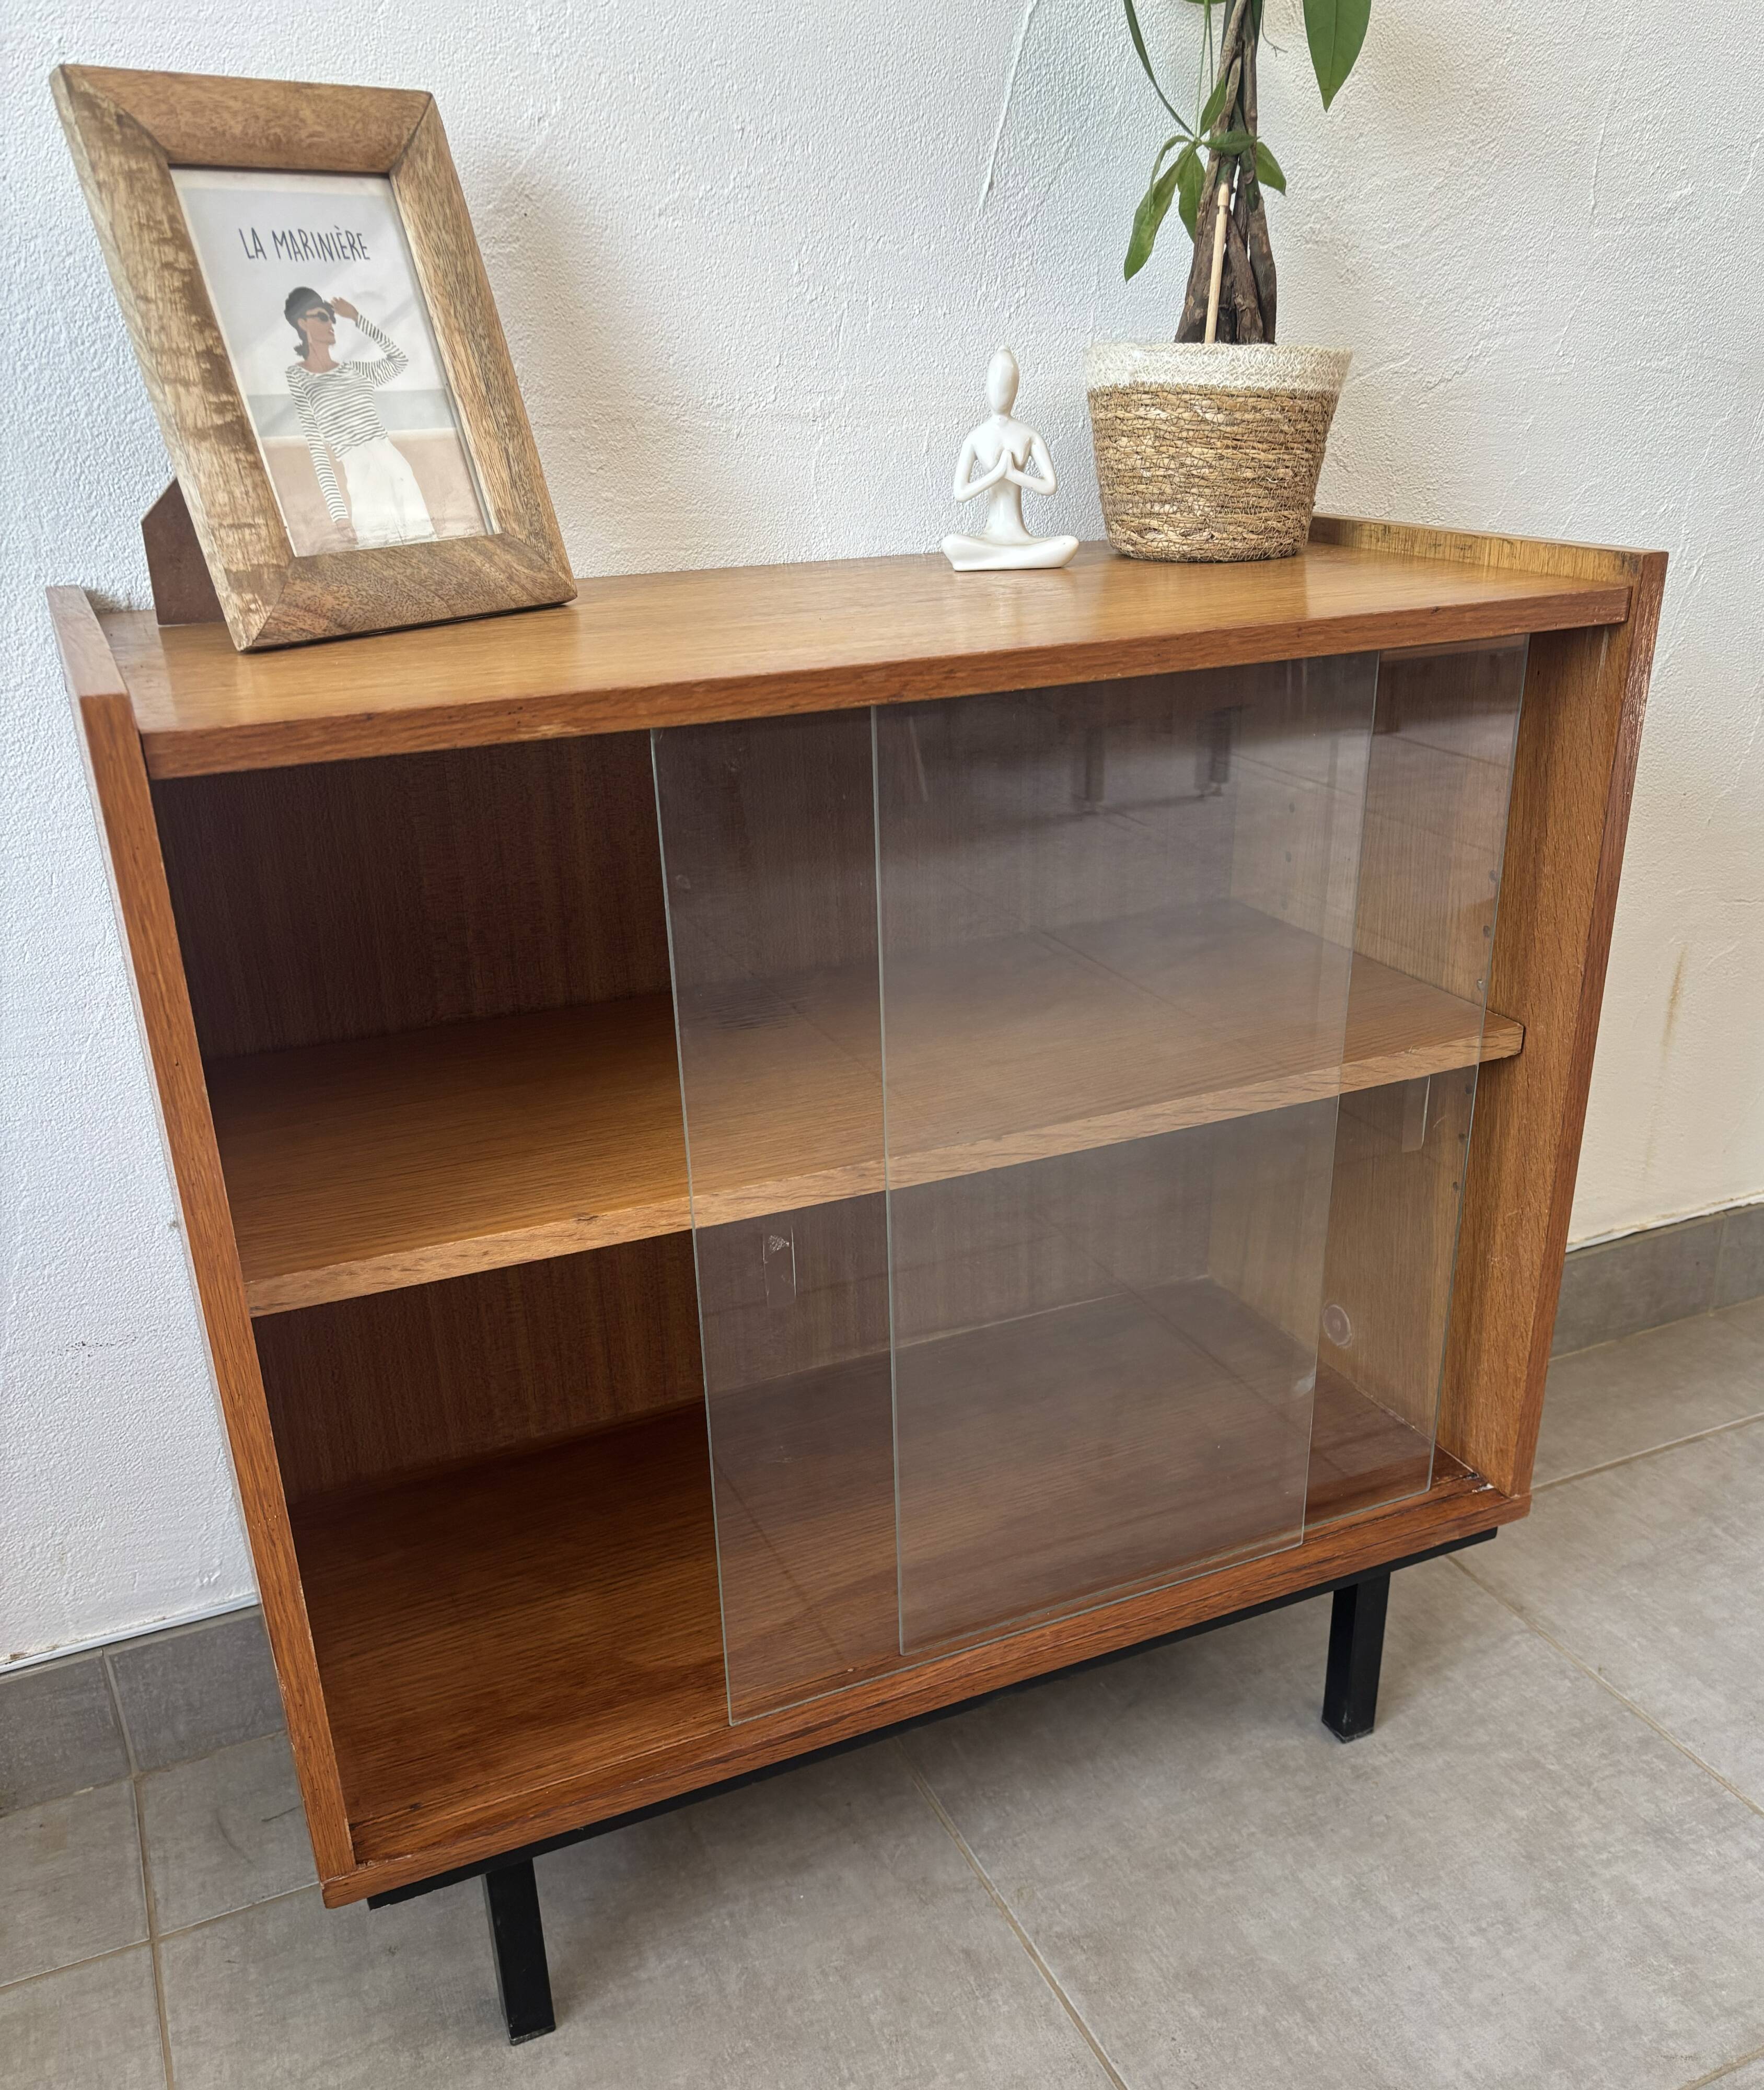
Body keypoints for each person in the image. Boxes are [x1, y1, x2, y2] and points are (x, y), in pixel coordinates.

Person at [283, 286, 436, 549]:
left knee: (425, 550)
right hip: (360, 476)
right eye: (322, 316)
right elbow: (318, 450)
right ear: (302, 322)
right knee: (380, 557)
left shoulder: (356, 370)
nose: (331, 322)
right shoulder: (297, 377)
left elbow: (399, 361)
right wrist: (339, 514)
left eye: (331, 316)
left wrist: (357, 318)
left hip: (394, 465)